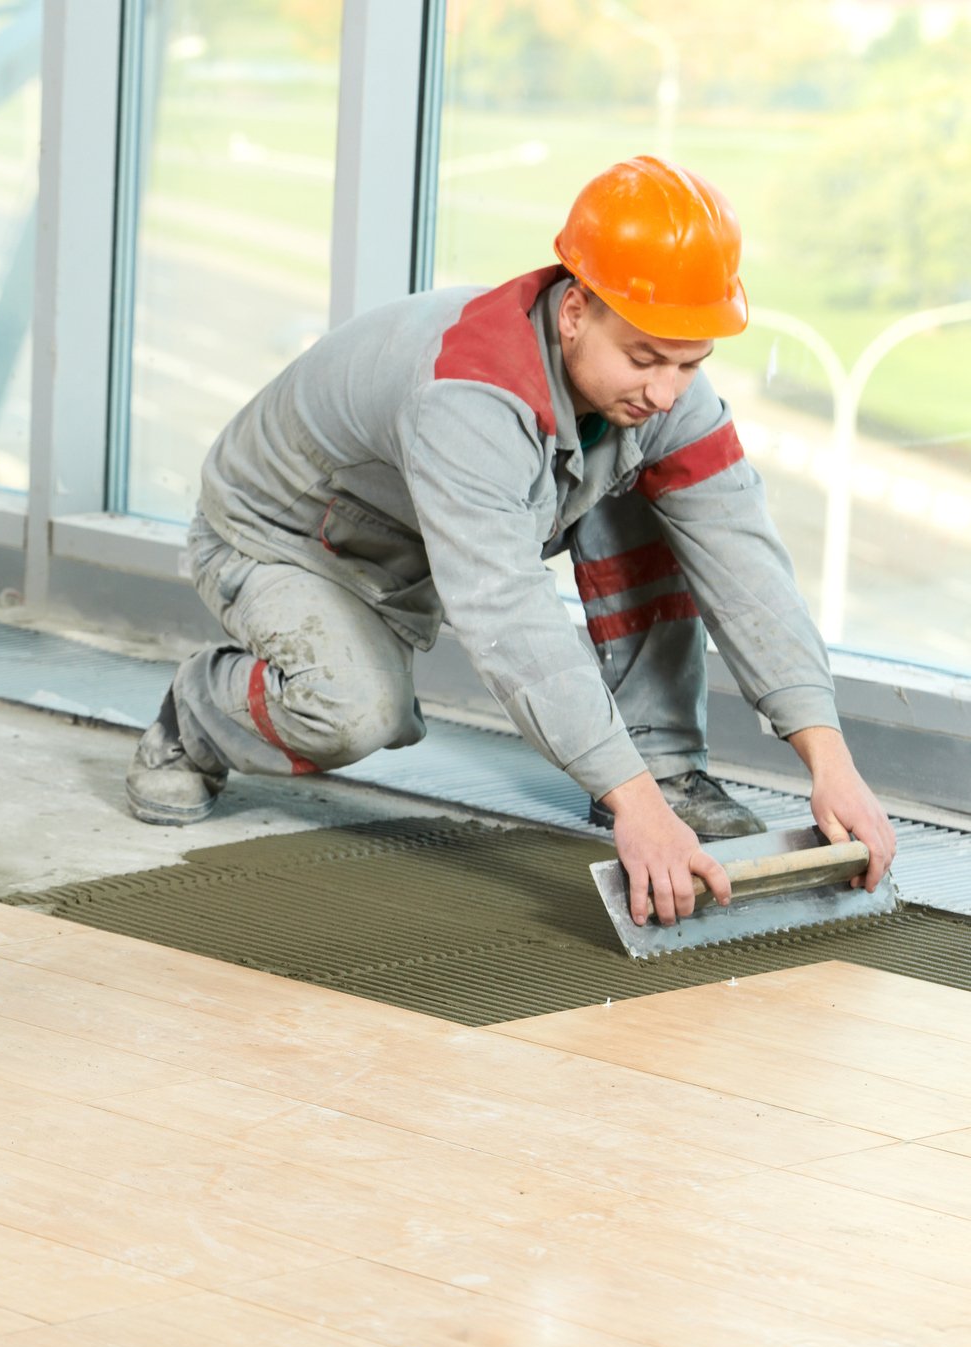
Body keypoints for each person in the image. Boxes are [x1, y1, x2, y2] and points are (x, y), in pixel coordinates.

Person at [126, 156, 896, 928]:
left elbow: (743, 560)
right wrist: (634, 811)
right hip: (286, 540)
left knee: (654, 495)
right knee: (358, 711)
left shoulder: (659, 391)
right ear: (574, 312)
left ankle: (662, 764)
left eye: (690, 363)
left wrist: (832, 763)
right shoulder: (468, 397)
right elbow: (508, 616)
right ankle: (195, 716)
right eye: (644, 358)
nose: (667, 391)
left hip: (419, 527)